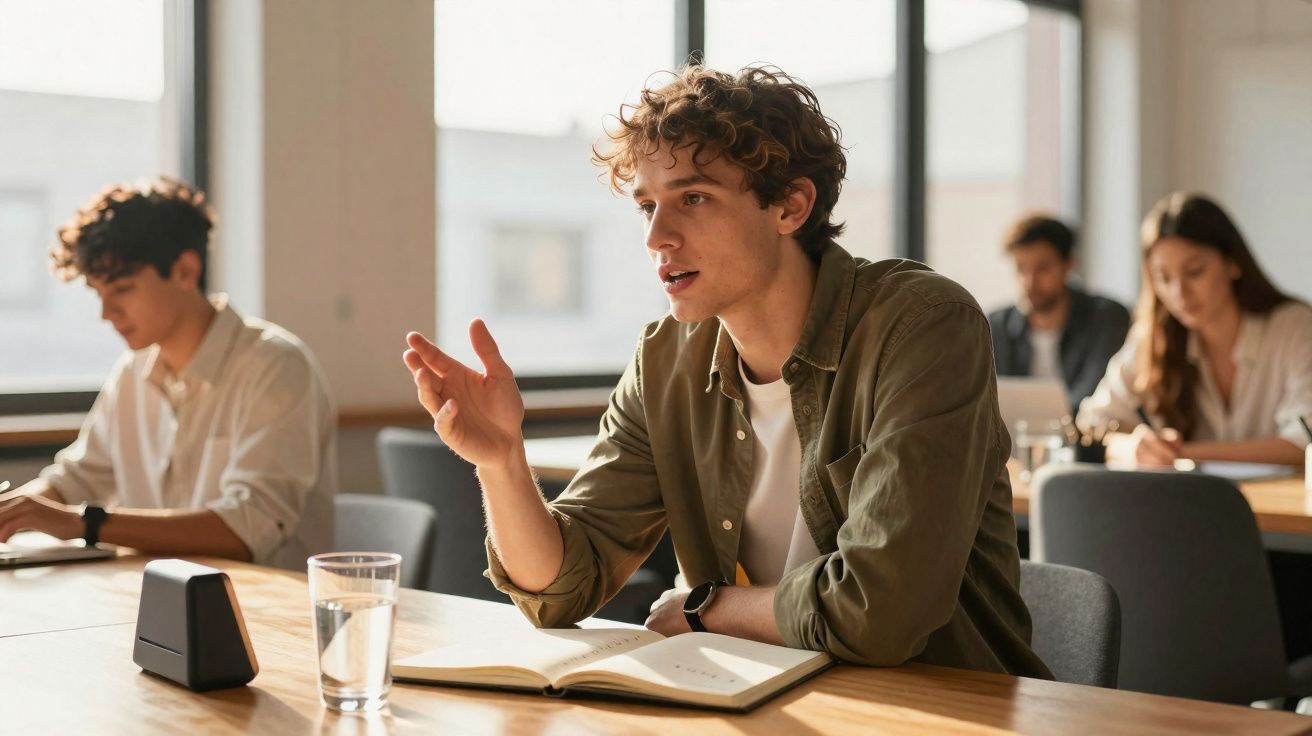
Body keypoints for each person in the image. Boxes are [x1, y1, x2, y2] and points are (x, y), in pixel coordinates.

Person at [403, 66, 1050, 677]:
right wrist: (502, 464)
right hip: (760, 699)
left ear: (790, 206)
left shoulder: (921, 326)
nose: (658, 236)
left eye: (693, 197)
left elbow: (882, 612)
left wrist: (704, 608)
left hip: (943, 707)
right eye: (647, 206)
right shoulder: (664, 359)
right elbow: (561, 589)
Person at [0, 177, 336, 570]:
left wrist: (81, 522)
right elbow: (76, 478)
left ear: (185, 270)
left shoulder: (275, 366)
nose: (106, 314)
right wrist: (15, 512)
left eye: (122, 289)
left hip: (269, 613)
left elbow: (249, 529)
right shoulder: (133, 371)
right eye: (99, 294)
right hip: (156, 603)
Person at [1077, 192, 1312, 468]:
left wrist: (1180, 453)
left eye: (1194, 271)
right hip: (1184, 506)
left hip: (1280, 508)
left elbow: (1303, 444)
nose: (1179, 293)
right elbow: (1091, 426)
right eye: (1164, 278)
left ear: (1233, 264)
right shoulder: (1153, 335)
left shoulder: (1294, 327)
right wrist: (1131, 447)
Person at [988, 215, 1130, 412]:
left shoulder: (1106, 318)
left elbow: (1094, 399)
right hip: (1013, 440)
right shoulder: (996, 326)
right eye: (1021, 268)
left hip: (1086, 439)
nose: (1029, 282)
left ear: (1069, 264)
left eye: (1043, 268)